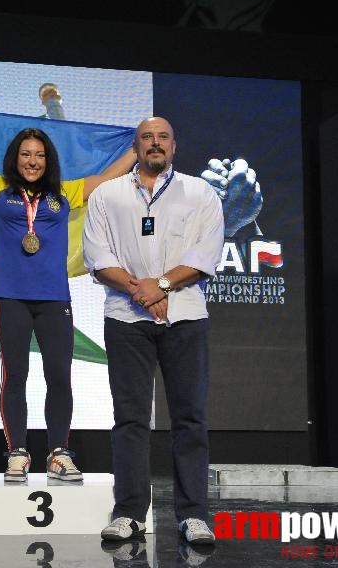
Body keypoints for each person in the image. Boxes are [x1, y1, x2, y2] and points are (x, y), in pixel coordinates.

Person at [0, 130, 135, 482]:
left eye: (40, 155)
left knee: (59, 377)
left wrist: (138, 146)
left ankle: (58, 453)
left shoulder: (64, 193)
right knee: (15, 376)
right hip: (11, 297)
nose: (32, 161)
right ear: (15, 159)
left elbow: (109, 178)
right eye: (26, 154)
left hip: (53, 299)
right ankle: (17, 452)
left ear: (48, 161)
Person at [82, 117, 224, 544]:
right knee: (129, 419)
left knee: (190, 419)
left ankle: (194, 515)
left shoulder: (200, 192)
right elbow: (96, 254)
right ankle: (129, 513)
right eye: (147, 138)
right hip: (126, 320)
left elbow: (205, 253)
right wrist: (139, 290)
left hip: (185, 318)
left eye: (162, 137)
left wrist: (161, 284)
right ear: (136, 146)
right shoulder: (108, 195)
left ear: (174, 146)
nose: (155, 144)